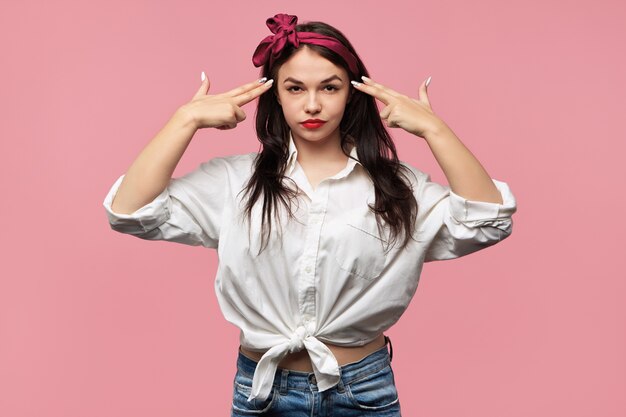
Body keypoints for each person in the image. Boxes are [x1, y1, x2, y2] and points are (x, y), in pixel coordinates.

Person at [102, 12, 517, 416]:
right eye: (296, 88)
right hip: (261, 393)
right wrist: (185, 120)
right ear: (275, 94)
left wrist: (435, 130)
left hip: (363, 390)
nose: (313, 105)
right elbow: (130, 210)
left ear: (351, 92)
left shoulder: (398, 186)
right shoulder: (233, 181)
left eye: (330, 88)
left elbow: (487, 219)